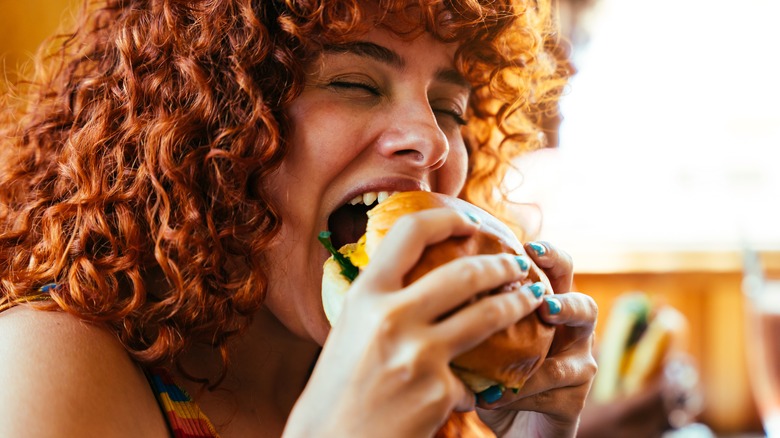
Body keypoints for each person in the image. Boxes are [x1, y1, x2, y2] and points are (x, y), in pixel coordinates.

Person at [0, 0, 598, 436]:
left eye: (448, 107)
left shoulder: (426, 383)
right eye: (355, 83)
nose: (432, 141)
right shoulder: (47, 362)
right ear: (210, 124)